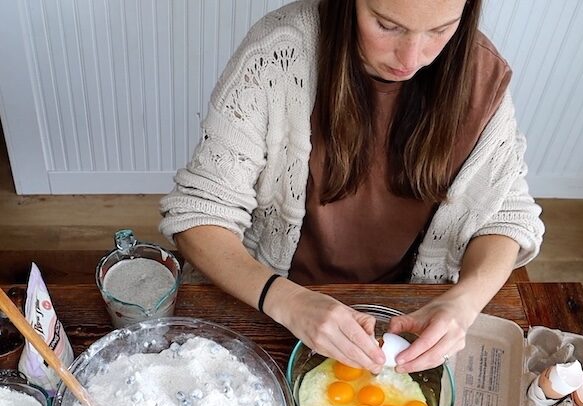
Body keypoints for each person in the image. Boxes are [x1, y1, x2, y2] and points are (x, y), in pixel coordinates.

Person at [159, 0, 544, 373]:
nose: (411, 58)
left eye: (439, 30)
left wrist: (464, 303)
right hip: (273, 298)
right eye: (387, 25)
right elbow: (200, 215)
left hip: (404, 308)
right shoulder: (279, 53)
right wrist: (287, 301)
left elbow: (506, 216)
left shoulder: (481, 73)